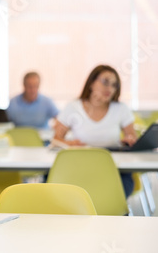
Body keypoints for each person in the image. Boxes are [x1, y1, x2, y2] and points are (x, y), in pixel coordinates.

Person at [53, 64, 137, 197]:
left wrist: (130, 141)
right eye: (105, 82)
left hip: (114, 170)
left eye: (114, 85)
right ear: (91, 83)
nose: (110, 88)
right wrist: (70, 144)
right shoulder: (73, 107)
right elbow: (56, 140)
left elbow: (133, 139)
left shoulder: (121, 109)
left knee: (119, 189)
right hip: (79, 168)